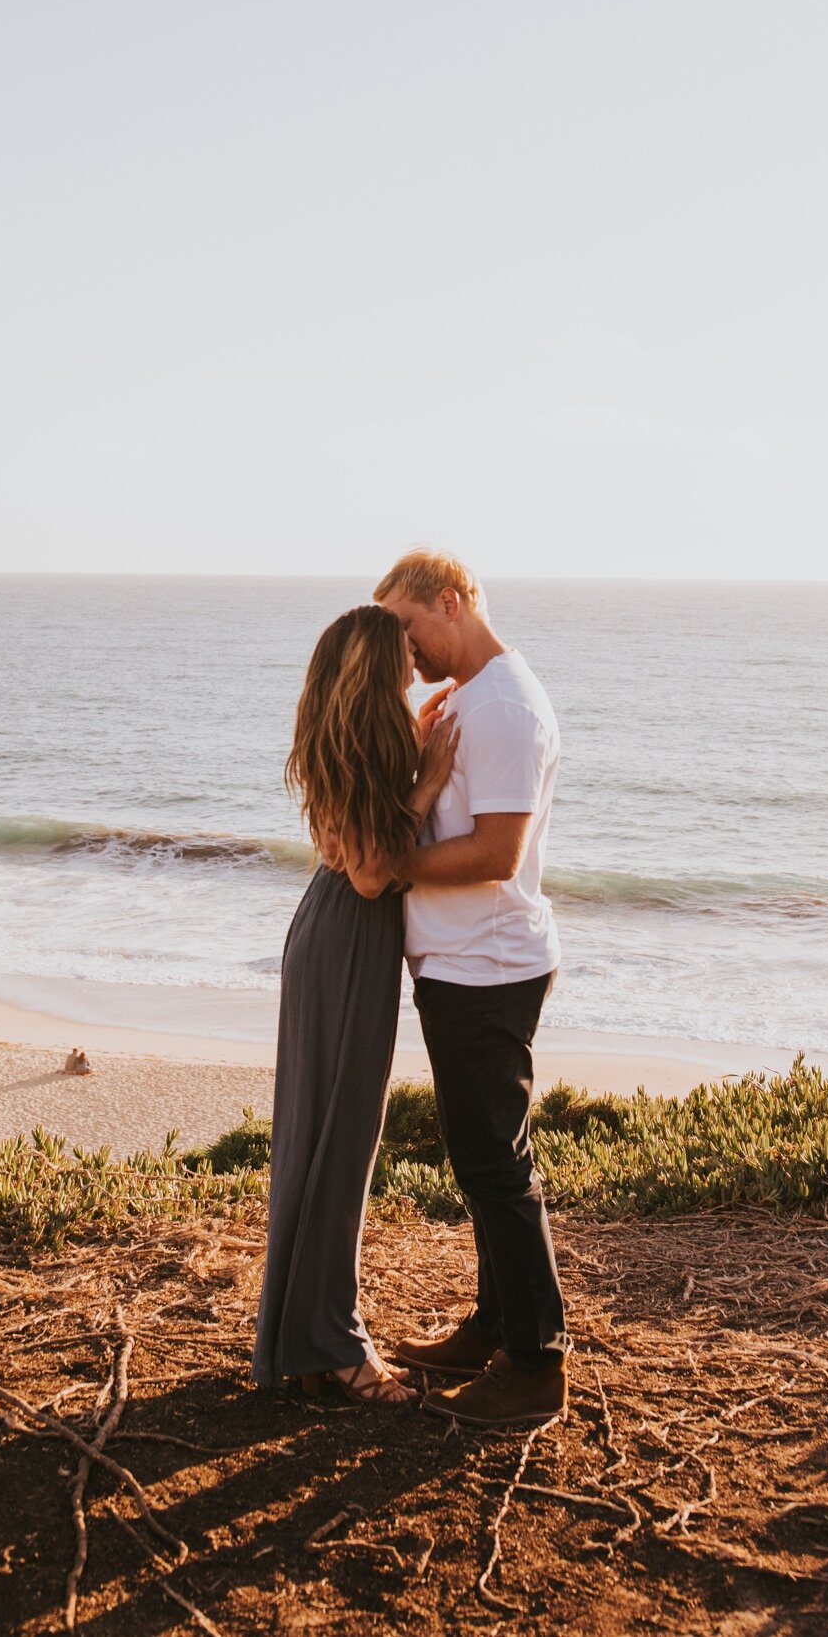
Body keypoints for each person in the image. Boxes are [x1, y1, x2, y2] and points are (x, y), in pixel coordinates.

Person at [346, 549, 568, 1431]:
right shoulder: (469, 701)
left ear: (452, 599)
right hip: (460, 964)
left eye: (406, 625)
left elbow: (495, 854)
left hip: (489, 966)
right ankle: (494, 1322)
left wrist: (391, 867)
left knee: (495, 1166)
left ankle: (536, 1361)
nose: (402, 649)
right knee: (479, 1162)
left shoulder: (506, 707)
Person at [252, 603, 459, 1407]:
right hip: (348, 938)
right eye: (403, 652)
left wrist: (412, 755)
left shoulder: (346, 736)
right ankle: (334, 1348)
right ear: (377, 665)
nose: (415, 662)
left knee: (320, 1137)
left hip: (326, 931)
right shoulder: (370, 743)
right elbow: (374, 872)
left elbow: (353, 848)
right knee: (339, 1142)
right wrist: (432, 780)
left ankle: (304, 1337)